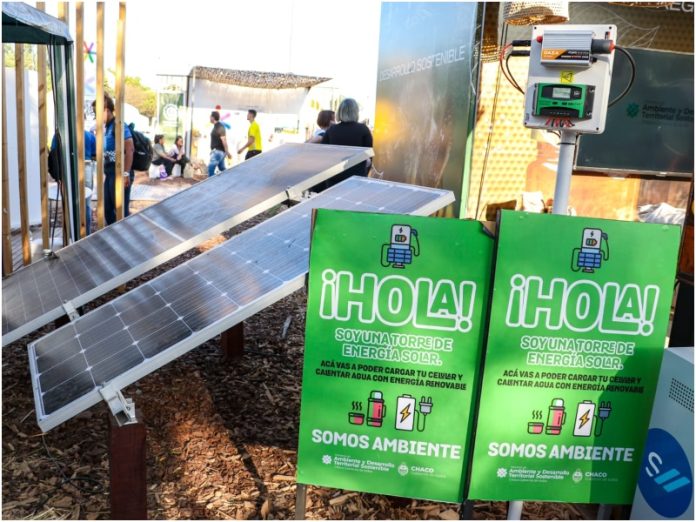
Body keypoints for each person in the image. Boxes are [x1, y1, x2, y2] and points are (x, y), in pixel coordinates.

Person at [92, 94, 134, 225]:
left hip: (119, 173)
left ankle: (123, 234)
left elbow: (130, 149)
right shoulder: (108, 128)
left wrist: (126, 173)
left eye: (97, 113)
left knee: (121, 211)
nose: (96, 117)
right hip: (110, 173)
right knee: (107, 209)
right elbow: (110, 152)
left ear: (106, 110)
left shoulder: (119, 125)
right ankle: (114, 233)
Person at [320, 98, 373, 188]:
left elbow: (322, 154)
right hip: (356, 179)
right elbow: (369, 158)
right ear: (356, 112)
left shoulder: (331, 130)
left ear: (340, 112)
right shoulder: (363, 129)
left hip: (334, 179)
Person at [208, 111, 231, 176]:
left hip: (217, 152)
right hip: (218, 152)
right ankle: (229, 179)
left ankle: (211, 183)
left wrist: (227, 152)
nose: (209, 118)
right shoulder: (217, 126)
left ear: (213, 117)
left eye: (210, 116)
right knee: (222, 169)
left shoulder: (220, 127)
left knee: (210, 169)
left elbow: (224, 140)